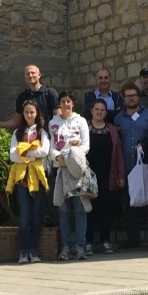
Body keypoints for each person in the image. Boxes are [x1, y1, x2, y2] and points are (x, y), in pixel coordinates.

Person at [113, 81, 148, 250]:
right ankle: (132, 238)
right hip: (127, 166)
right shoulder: (118, 118)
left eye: (134, 95)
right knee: (129, 203)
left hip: (147, 166)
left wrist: (145, 144)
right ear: (123, 98)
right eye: (128, 96)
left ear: (139, 97)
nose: (131, 99)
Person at [6, 100, 50, 264]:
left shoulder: (42, 132)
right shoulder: (18, 133)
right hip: (22, 179)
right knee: (25, 215)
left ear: (37, 113)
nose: (29, 115)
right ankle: (23, 251)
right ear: (23, 114)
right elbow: (12, 155)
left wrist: (25, 152)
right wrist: (32, 153)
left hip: (37, 178)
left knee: (37, 216)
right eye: (26, 112)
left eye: (32, 112)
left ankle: (33, 250)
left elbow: (44, 151)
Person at [49, 91, 91, 260]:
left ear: (73, 104)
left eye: (68, 101)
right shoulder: (53, 122)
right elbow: (51, 146)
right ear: (59, 104)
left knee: (80, 208)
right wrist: (57, 157)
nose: (66, 104)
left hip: (76, 169)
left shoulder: (81, 121)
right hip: (60, 168)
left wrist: (75, 151)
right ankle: (66, 246)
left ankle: (80, 246)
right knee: (63, 209)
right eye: (63, 101)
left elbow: (86, 145)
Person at [86, 98, 125, 254]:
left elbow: (119, 155)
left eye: (102, 110)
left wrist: (121, 175)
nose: (99, 112)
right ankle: (88, 242)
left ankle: (105, 241)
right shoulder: (84, 128)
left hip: (108, 175)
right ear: (91, 111)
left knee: (106, 209)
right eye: (97, 109)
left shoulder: (113, 131)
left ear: (106, 112)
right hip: (88, 176)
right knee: (89, 209)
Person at [0, 65, 60, 130]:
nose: (30, 75)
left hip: (48, 136)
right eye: (27, 74)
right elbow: (16, 122)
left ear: (39, 75)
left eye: (33, 73)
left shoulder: (50, 93)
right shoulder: (22, 97)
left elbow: (58, 117)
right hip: (29, 137)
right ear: (25, 77)